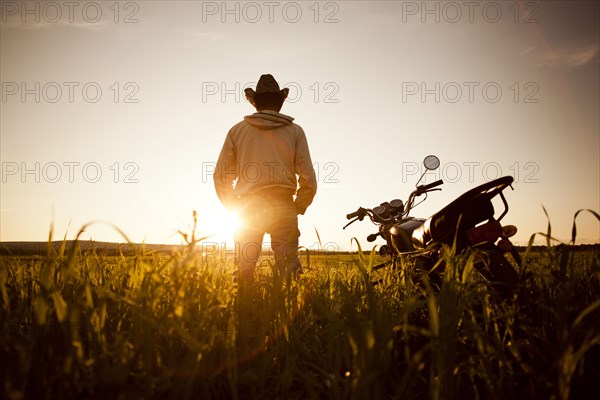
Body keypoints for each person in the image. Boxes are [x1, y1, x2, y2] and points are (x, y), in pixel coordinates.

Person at [213, 74, 317, 283]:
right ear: (279, 102)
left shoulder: (237, 131)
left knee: (243, 269)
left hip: (249, 206)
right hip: (284, 202)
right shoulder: (295, 131)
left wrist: (234, 206)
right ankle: (292, 311)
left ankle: (243, 309)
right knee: (289, 268)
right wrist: (299, 205)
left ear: (256, 103)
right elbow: (308, 176)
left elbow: (220, 176)